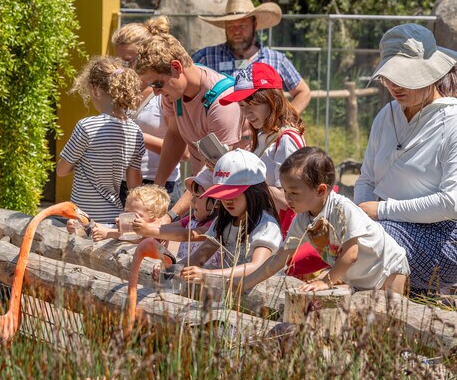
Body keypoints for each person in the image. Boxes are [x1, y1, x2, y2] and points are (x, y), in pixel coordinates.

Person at [353, 23, 457, 294]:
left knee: (377, 245)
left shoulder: (452, 123)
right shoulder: (386, 116)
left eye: (404, 78)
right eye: (389, 77)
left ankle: (386, 326)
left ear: (431, 75)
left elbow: (452, 203)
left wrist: (381, 212)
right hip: (383, 224)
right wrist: (359, 215)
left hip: (443, 236)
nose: (394, 86)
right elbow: (366, 178)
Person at [238, 147, 409, 295]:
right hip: (362, 278)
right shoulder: (302, 219)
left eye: (294, 192)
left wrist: (326, 281)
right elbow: (280, 257)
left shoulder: (342, 209)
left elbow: (351, 254)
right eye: (284, 191)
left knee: (389, 318)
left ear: (320, 190)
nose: (287, 198)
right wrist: (245, 283)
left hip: (389, 269)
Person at [219, 62, 328, 279]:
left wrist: (245, 182)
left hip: (289, 234)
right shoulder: (261, 136)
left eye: (253, 104)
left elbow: (291, 199)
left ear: (272, 100)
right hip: (268, 228)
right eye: (242, 106)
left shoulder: (286, 139)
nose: (247, 112)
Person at [134, 32, 241, 222]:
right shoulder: (174, 94)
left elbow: (217, 171)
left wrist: (170, 216)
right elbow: (174, 136)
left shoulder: (222, 102)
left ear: (177, 67)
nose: (156, 92)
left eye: (158, 84)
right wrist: (157, 190)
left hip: (233, 202)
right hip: (202, 197)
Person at [169, 149, 283, 284]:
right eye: (222, 195)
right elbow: (199, 257)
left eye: (232, 194)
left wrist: (208, 274)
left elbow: (257, 266)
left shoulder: (266, 226)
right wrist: (171, 271)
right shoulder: (223, 222)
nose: (227, 200)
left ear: (254, 191)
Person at [57, 56, 145, 224]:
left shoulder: (86, 126)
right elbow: (134, 185)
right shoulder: (136, 132)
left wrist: (79, 161)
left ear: (94, 89)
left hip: (82, 218)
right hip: (112, 219)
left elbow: (61, 170)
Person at [193, 0, 311, 115]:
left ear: (254, 25)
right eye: (231, 26)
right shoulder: (205, 58)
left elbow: (303, 92)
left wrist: (285, 121)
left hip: (264, 133)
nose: (237, 32)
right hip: (217, 132)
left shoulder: (276, 60)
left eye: (242, 26)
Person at [111, 16, 184, 208]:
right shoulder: (121, 90)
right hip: (124, 184)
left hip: (160, 187)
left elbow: (184, 153)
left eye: (129, 61)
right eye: (119, 62)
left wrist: (136, 136)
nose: (123, 68)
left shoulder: (164, 93)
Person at [131, 169, 220, 268]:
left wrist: (148, 231)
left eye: (198, 196)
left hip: (205, 279)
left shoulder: (215, 225)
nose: (192, 200)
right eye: (193, 195)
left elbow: (186, 235)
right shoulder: (193, 219)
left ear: (216, 202)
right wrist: (143, 227)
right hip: (183, 273)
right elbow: (169, 227)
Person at [84, 184, 170, 242]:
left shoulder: (157, 235)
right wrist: (85, 227)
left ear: (154, 221)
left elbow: (139, 238)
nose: (119, 219)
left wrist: (109, 233)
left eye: (133, 215)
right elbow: (103, 228)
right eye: (126, 212)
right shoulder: (121, 229)